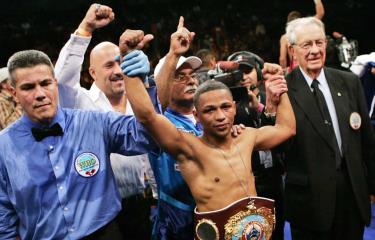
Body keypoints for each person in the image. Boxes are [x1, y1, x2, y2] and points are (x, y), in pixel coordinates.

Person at [120, 44, 295, 240]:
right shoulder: (190, 148)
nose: (220, 116)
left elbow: (286, 128)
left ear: (234, 108)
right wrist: (128, 64)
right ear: (197, 115)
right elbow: (148, 117)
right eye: (210, 110)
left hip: (255, 232)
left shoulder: (247, 137)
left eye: (225, 107)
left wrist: (280, 85)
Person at [0, 49, 159, 239]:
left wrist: (143, 84)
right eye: (28, 87)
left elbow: (146, 136)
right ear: (13, 92)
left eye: (45, 83)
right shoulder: (3, 146)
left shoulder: (93, 122)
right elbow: (4, 216)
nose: (40, 94)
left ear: (55, 84)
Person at [54, 4, 156, 239]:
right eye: (109, 65)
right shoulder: (80, 103)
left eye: (120, 62)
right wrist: (85, 28)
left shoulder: (137, 99)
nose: (118, 71)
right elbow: (61, 81)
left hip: (142, 202)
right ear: (92, 73)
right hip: (101, 210)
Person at [284, 17, 375, 239]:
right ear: (292, 50)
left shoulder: (350, 82)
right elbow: (279, 148)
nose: (315, 50)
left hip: (352, 196)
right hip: (309, 203)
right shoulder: (283, 88)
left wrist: (372, 186)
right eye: (306, 45)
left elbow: (367, 141)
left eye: (319, 42)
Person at [227, 51, 287, 240]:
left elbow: (285, 136)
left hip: (274, 178)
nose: (243, 76)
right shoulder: (226, 104)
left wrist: (264, 108)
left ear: (259, 73)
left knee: (277, 231)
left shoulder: (271, 96)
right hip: (245, 183)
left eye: (248, 70)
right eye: (238, 72)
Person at [279, 0, 325, 72]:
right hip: (311, 63)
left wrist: (283, 73)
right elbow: (320, 13)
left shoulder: (284, 37)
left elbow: (282, 59)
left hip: (295, 67)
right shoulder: (307, 29)